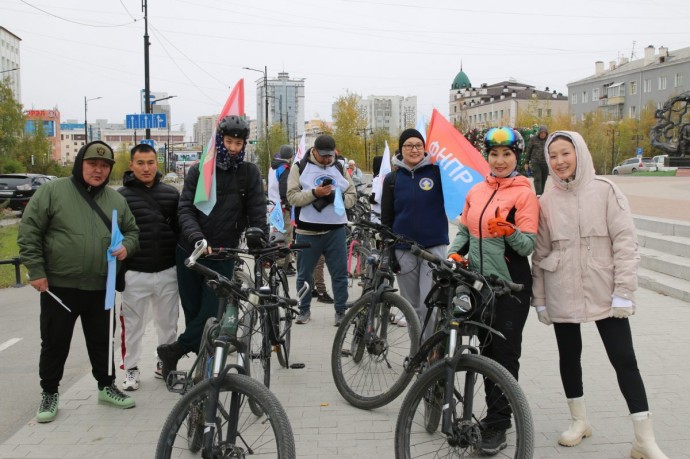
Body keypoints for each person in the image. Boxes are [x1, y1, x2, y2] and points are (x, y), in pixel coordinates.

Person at [532, 131, 667, 458]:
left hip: (604, 289)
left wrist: (624, 292)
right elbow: (539, 252)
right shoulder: (546, 201)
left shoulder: (606, 191)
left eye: (566, 153)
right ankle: (579, 421)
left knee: (624, 360)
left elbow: (625, 244)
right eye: (553, 156)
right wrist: (540, 299)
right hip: (561, 286)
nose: (560, 161)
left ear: (580, 153)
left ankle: (643, 438)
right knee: (569, 356)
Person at [18, 141, 140, 423]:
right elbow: (30, 230)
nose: (98, 170)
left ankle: (106, 386)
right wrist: (36, 270)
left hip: (101, 286)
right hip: (59, 287)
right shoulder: (53, 191)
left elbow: (133, 232)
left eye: (104, 166)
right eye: (92, 164)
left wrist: (127, 248)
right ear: (80, 164)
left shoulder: (116, 200)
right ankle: (49, 393)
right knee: (54, 341)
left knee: (102, 341)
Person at [447, 127, 539, 455]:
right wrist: (456, 253)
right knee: (485, 352)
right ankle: (495, 417)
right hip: (480, 285)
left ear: (517, 157)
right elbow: (466, 229)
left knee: (504, 356)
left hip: (511, 287)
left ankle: (499, 425)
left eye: (507, 154)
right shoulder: (477, 190)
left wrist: (510, 231)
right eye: (494, 153)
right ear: (487, 155)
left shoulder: (524, 193)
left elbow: (528, 244)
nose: (500, 160)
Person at [157, 115, 268, 380]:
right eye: (228, 141)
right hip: (191, 252)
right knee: (194, 312)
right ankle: (201, 368)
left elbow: (257, 211)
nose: (233, 147)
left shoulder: (248, 173)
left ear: (244, 144)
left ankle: (177, 354)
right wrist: (197, 238)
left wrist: (258, 238)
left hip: (223, 254)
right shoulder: (200, 170)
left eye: (238, 143)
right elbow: (185, 208)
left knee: (212, 314)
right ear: (219, 140)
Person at [118, 143, 180, 390]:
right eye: (140, 163)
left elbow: (179, 230)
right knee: (132, 326)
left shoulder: (171, 194)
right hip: (135, 272)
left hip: (167, 269)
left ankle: (165, 364)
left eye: (151, 162)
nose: (146, 168)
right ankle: (130, 369)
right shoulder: (120, 197)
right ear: (131, 165)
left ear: (157, 164)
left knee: (168, 324)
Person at [381, 129, 448, 330]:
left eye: (418, 145)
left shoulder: (438, 173)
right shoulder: (392, 179)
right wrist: (388, 249)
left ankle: (429, 354)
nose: (414, 149)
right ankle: (415, 354)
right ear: (401, 150)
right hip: (404, 249)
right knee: (411, 307)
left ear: (424, 148)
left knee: (430, 305)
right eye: (408, 145)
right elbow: (387, 218)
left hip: (433, 248)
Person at [286, 134, 356, 326]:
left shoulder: (340, 167)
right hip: (307, 232)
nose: (327, 159)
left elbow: (352, 197)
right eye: (323, 156)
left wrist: (336, 197)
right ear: (314, 151)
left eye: (330, 156)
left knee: (340, 274)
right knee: (304, 274)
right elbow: (292, 197)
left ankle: (340, 312)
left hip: (336, 231)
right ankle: (304, 310)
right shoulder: (299, 167)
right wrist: (314, 194)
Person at [268, 144, 296, 275]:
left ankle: (282, 262)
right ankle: (284, 265)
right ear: (290, 156)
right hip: (282, 206)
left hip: (273, 205)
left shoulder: (273, 167)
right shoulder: (284, 168)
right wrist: (288, 203)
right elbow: (284, 189)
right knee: (286, 235)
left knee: (278, 233)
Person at [524, 125, 549, 196]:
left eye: (544, 133)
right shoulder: (533, 139)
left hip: (545, 162)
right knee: (538, 177)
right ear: (539, 133)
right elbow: (528, 151)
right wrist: (526, 162)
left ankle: (541, 193)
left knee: (544, 178)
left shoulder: (548, 140)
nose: (543, 134)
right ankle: (538, 194)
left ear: (546, 133)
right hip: (535, 162)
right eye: (541, 133)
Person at [369, 155, 383, 223]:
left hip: (378, 212)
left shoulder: (377, 178)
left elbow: (374, 198)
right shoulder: (387, 176)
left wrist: (370, 198)